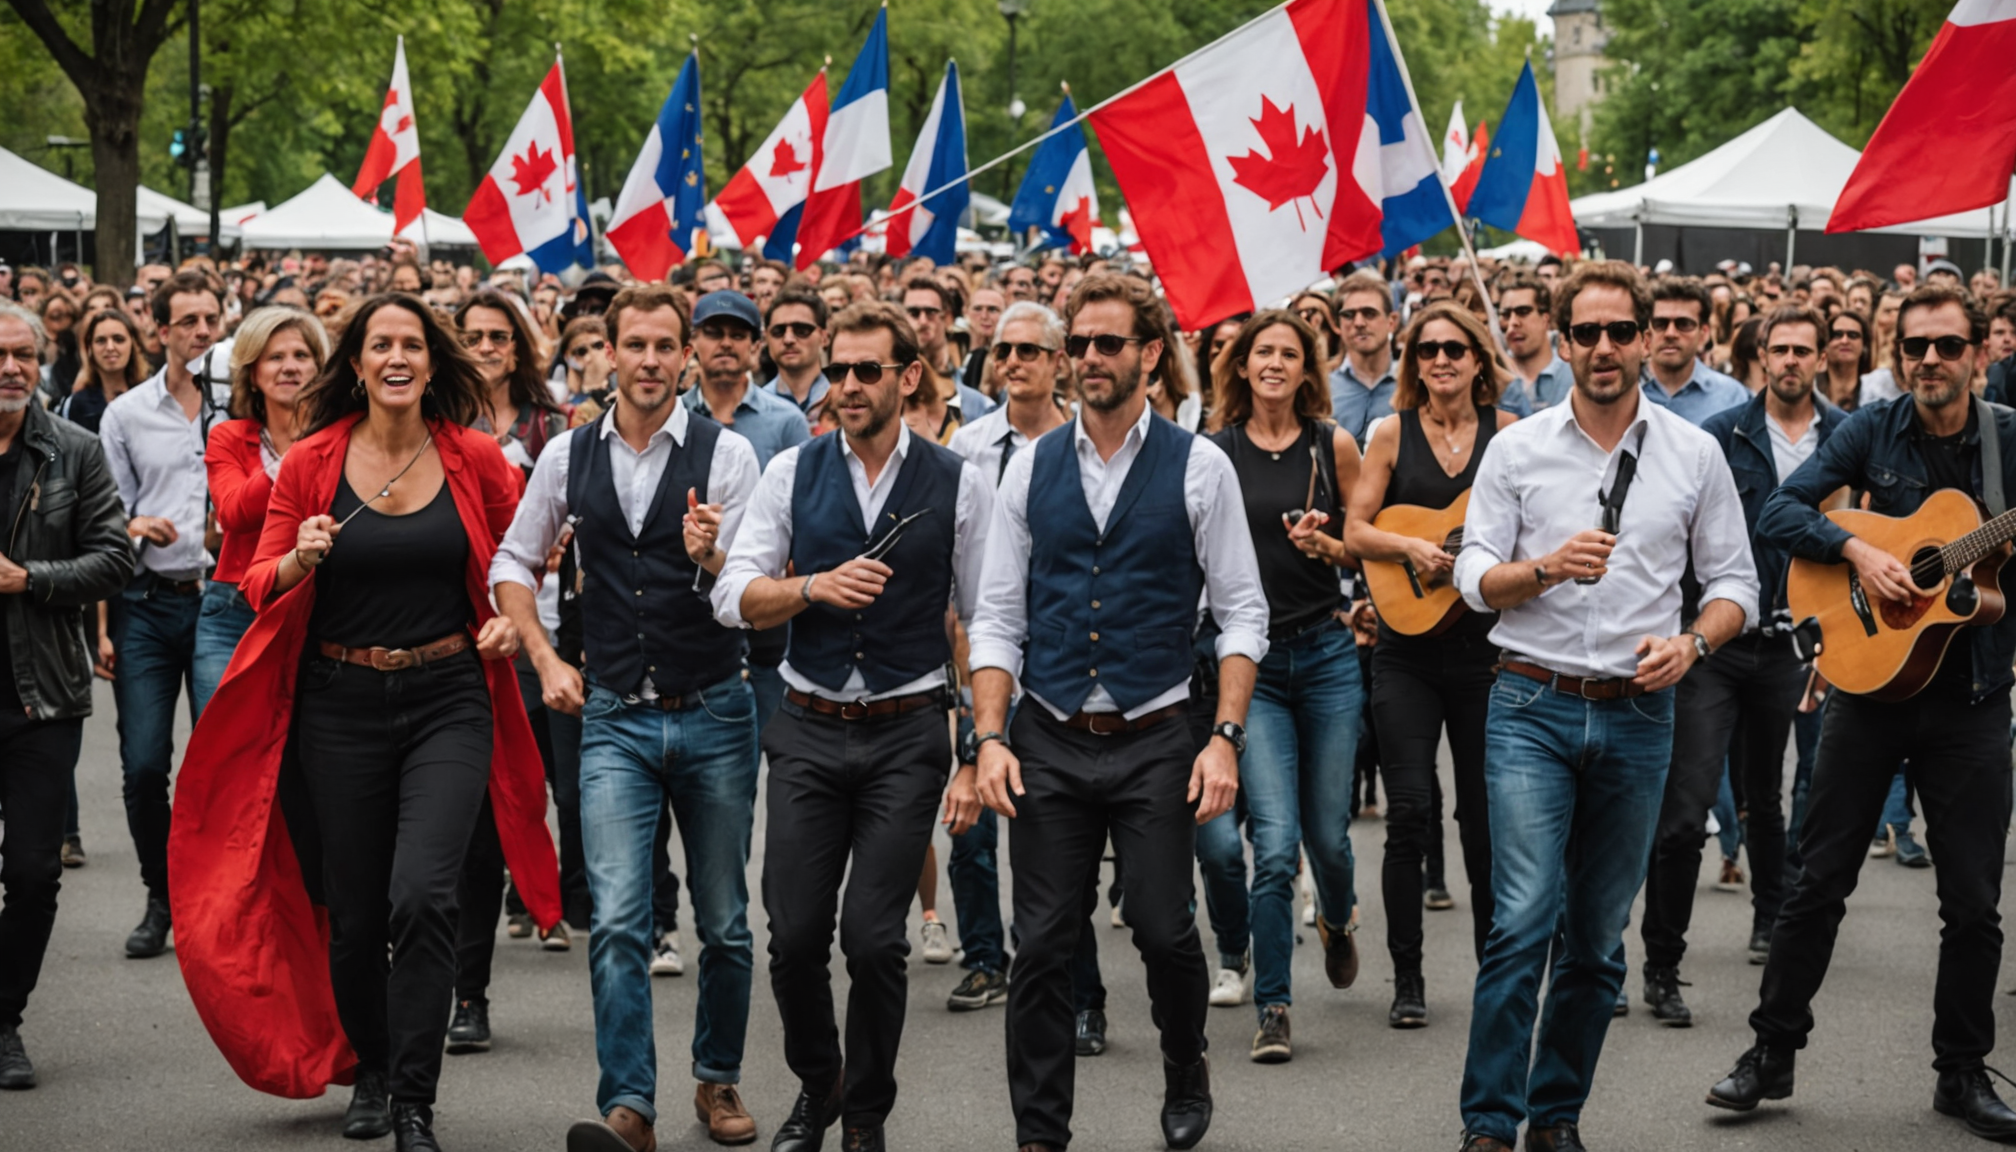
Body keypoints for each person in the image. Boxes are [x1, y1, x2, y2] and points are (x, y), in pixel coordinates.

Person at [168, 292, 561, 1152]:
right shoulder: (309, 461)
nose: (395, 357)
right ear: (357, 363)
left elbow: (513, 564)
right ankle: (372, 1069)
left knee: (423, 895)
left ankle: (415, 1099)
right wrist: (300, 558)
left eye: (411, 345)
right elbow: (255, 580)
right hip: (337, 704)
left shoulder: (476, 455)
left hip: (448, 695)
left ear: (430, 362)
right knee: (352, 912)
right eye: (380, 344)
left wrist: (508, 621)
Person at [1451, 261, 1756, 1152]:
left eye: (1622, 331)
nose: (1606, 348)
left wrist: (1694, 643)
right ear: (1562, 339)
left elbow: (1734, 580)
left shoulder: (1693, 453)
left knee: (1594, 942)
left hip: (1638, 714)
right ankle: (1488, 1125)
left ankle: (1554, 1118)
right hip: (1530, 705)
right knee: (1521, 920)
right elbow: (1473, 580)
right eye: (1587, 333)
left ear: (1646, 334)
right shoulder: (1518, 448)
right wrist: (1545, 567)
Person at [1707, 284, 2016, 1143]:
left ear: (1978, 354)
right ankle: (1770, 1053)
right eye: (1914, 346)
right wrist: (1856, 551)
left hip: (1974, 701)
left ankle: (1961, 1072)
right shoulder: (1869, 431)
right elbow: (1778, 509)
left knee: (1974, 903)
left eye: (1947, 346)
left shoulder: (2008, 441)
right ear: (1895, 353)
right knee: (1817, 882)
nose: (1930, 360)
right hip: (1868, 692)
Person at [968, 273, 1269, 1152]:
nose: (1089, 359)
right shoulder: (1032, 466)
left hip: (1157, 734)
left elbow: (1242, 610)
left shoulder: (1199, 462)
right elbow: (996, 616)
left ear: (1149, 353)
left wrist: (1224, 738)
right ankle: (1040, 1132)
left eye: (1108, 344)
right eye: (1081, 345)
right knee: (1045, 941)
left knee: (1164, 928)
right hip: (1051, 734)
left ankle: (1185, 1062)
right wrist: (988, 736)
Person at [712, 300, 992, 1152]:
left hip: (909, 729)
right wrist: (811, 588)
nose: (848, 386)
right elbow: (733, 595)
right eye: (839, 371)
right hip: (807, 719)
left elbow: (986, 618)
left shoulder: (958, 479)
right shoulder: (793, 472)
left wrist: (978, 747)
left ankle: (864, 1114)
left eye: (868, 371)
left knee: (875, 941)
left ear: (909, 377)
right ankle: (819, 1080)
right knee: (793, 934)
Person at [491, 283, 765, 1152]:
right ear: (607, 352)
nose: (650, 361)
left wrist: (713, 555)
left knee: (723, 920)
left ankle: (716, 1079)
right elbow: (511, 561)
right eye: (634, 345)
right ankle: (629, 1106)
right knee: (615, 918)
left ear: (685, 356)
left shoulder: (728, 457)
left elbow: (752, 592)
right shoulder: (568, 456)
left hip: (716, 708)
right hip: (611, 713)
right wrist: (543, 657)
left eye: (664, 346)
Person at [1623, 306, 1851, 1035]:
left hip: (1793, 643)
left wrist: (1834, 645)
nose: (1789, 360)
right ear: (1758, 357)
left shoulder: (1846, 434)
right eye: (1777, 349)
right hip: (1717, 644)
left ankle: (1769, 923)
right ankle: (1662, 965)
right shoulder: (1722, 436)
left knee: (1767, 796)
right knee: (1684, 810)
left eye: (1802, 350)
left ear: (1820, 359)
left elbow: (1862, 538)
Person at [1190, 310, 1363, 1063]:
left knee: (1329, 837)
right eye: (1263, 352)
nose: (1274, 363)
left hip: (1327, 652)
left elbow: (1367, 538)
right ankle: (1275, 1007)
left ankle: (1338, 917)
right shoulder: (1213, 452)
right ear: (1240, 365)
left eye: (1289, 353)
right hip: (1250, 664)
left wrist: (1332, 544)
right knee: (1276, 843)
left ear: (1306, 369)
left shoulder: (1334, 443)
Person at [1344, 303, 1520, 1030]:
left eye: (1454, 349)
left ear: (1480, 360)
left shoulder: (1511, 435)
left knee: (1484, 822)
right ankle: (1408, 979)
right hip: (1406, 650)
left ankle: (1493, 974)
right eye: (1426, 350)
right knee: (1409, 812)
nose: (1440, 360)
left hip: (1486, 653)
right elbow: (1355, 528)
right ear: (1412, 362)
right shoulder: (1391, 433)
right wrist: (1409, 549)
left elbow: (1534, 522)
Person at [0, 300, 132, 1090]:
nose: (9, 368)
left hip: (40, 698)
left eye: (22, 354)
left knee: (36, 873)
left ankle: (5, 1016)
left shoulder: (73, 452)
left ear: (42, 359)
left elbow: (114, 559)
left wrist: (31, 579)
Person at [939, 301, 1074, 1016]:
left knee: (1055, 830)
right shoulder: (970, 445)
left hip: (1057, 654)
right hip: (978, 652)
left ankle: (1060, 971)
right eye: (1003, 351)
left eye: (1029, 351)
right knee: (972, 812)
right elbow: (955, 560)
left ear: (1059, 362)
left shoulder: (1081, 442)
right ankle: (985, 958)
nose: (1012, 362)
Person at [96, 270, 232, 960]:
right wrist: (132, 523)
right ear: (162, 333)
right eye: (189, 322)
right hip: (146, 605)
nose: (203, 332)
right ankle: (161, 895)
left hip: (221, 601)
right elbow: (102, 518)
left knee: (221, 761)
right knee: (146, 764)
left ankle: (218, 899)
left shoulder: (241, 406)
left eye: (212, 319)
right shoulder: (125, 415)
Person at [194, 307, 326, 712]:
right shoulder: (228, 437)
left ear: (320, 369)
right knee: (222, 747)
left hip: (316, 610)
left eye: (301, 356)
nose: (289, 367)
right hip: (234, 609)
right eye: (275, 357)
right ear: (253, 373)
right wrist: (295, 456)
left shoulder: (344, 438)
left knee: (299, 756)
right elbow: (232, 513)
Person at [1640, 276, 1749, 425]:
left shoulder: (1732, 397)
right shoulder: (1625, 391)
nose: (1670, 333)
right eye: (1660, 323)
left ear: (1703, 334)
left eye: (1684, 324)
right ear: (1646, 333)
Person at [1330, 271, 1399, 444]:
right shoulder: (1322, 389)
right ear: (1338, 324)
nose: (1359, 323)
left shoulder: (1414, 384)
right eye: (1348, 315)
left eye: (1369, 313)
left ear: (1392, 321)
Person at [57, 308, 148, 434]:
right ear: (90, 348)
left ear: (133, 344)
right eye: (101, 341)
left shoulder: (149, 396)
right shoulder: (76, 404)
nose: (110, 347)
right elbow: (58, 452)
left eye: (118, 339)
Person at [1497, 272, 1572, 412]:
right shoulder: (1493, 378)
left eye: (1523, 312)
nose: (1513, 323)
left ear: (1546, 319)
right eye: (1506, 315)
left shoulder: (1572, 375)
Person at [762, 289, 831, 429]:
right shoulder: (757, 407)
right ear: (766, 338)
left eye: (801, 330)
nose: (788, 339)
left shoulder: (842, 401)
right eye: (778, 331)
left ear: (824, 338)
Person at [1818, 308, 1871, 411]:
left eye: (1853, 335)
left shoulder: (1872, 394)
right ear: (1826, 344)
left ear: (1864, 345)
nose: (1844, 341)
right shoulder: (1811, 389)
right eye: (1837, 335)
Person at [963, 286, 1007, 395]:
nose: (984, 316)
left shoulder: (1012, 356)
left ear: (1005, 314)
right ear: (966, 312)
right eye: (977, 309)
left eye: (992, 309)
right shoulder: (954, 349)